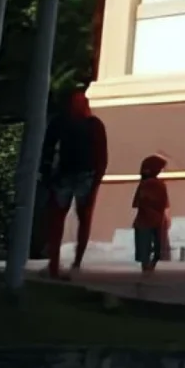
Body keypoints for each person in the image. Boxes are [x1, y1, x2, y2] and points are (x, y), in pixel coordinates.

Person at [42, 88, 110, 281]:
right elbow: (101, 155)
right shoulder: (91, 124)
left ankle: (62, 263)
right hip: (76, 175)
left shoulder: (64, 122)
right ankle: (68, 263)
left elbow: (48, 148)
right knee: (76, 218)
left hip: (72, 175)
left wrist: (46, 173)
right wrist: (97, 178)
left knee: (63, 218)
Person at [132, 155, 173, 279]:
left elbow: (138, 203)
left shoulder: (145, 184)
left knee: (146, 246)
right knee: (155, 246)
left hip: (147, 220)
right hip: (153, 219)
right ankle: (149, 266)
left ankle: (147, 267)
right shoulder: (157, 185)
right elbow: (163, 204)